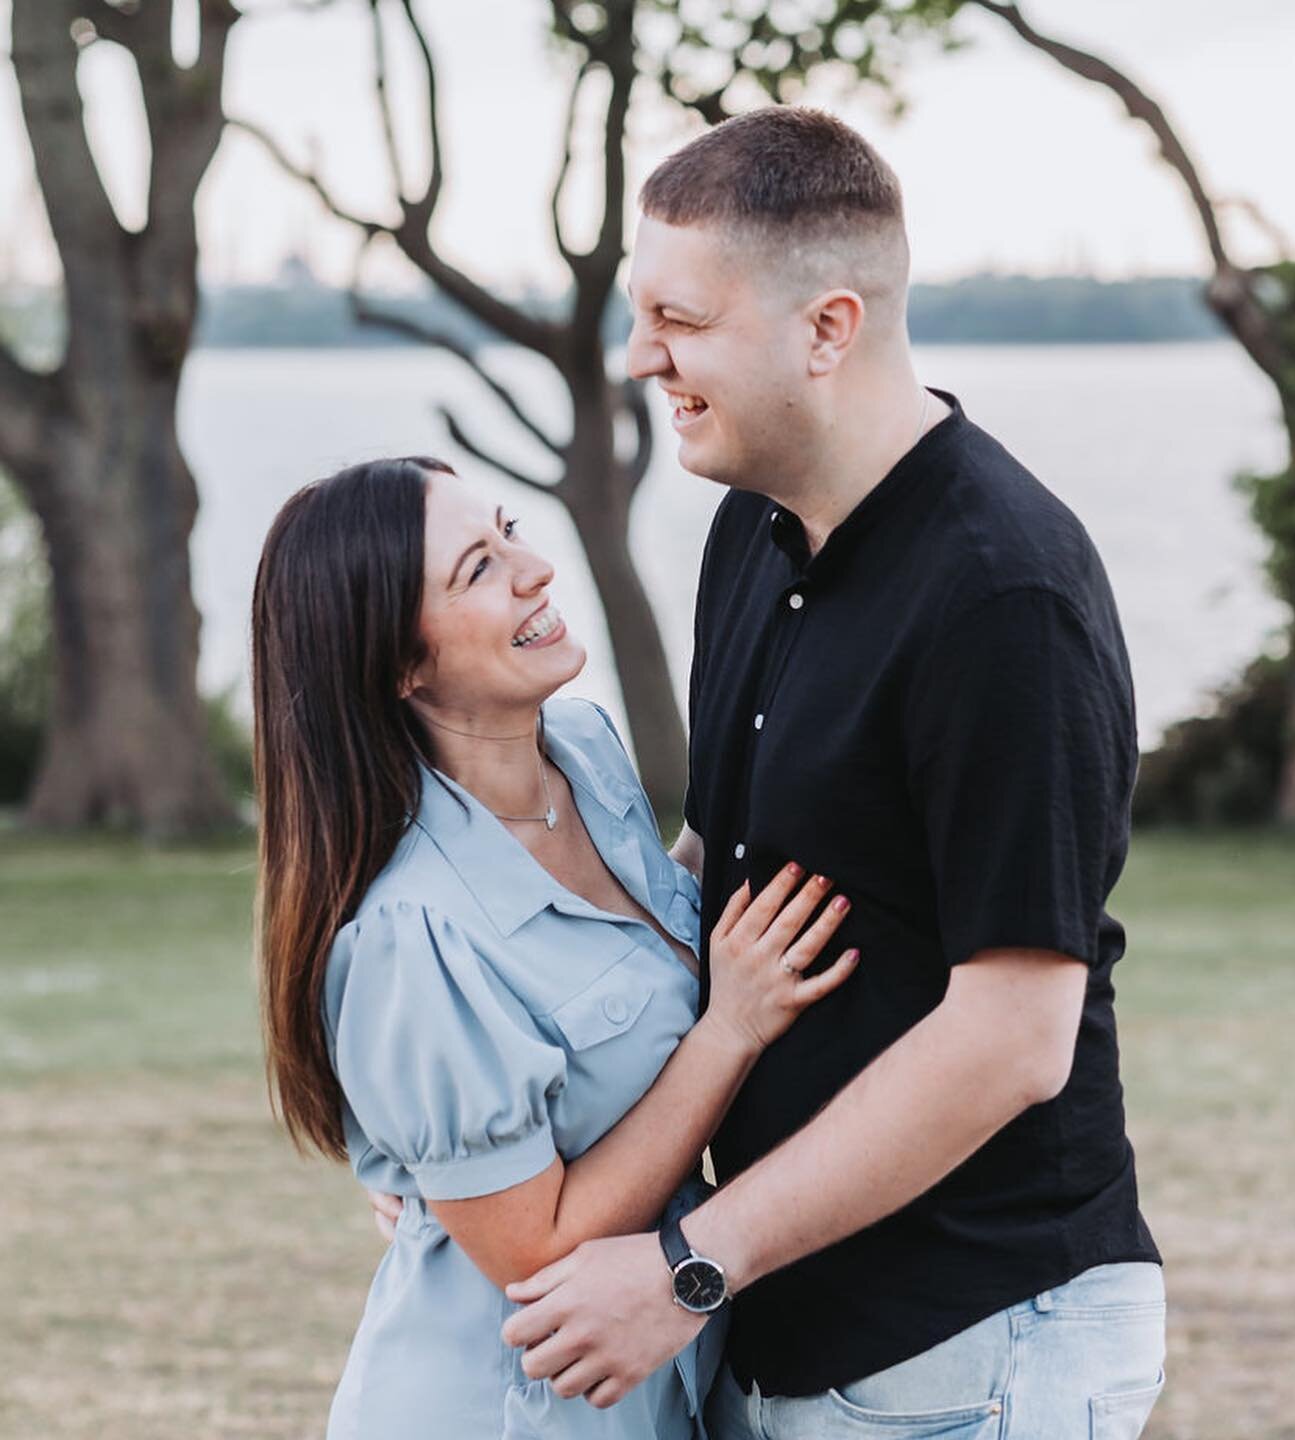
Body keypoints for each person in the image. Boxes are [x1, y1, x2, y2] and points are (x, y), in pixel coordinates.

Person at [496, 108, 1167, 1439]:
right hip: (784, 1320)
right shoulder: (750, 529)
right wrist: (494, 1136)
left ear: (828, 327)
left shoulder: (1002, 595)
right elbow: (711, 875)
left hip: (975, 1339)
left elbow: (1013, 1038)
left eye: (679, 320)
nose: (642, 359)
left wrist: (690, 1266)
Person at [250, 454, 858, 1439]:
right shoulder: (412, 935)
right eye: (477, 570)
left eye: (508, 532)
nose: (533, 570)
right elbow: (533, 1252)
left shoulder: (583, 753)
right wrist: (730, 1028)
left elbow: (628, 949)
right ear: (401, 666)